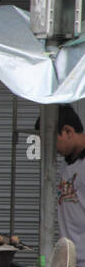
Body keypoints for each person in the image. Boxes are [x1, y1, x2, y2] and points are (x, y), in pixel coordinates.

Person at [38, 105, 85, 257]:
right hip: (70, 261)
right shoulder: (68, 162)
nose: (50, 148)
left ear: (68, 131)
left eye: (52, 140)